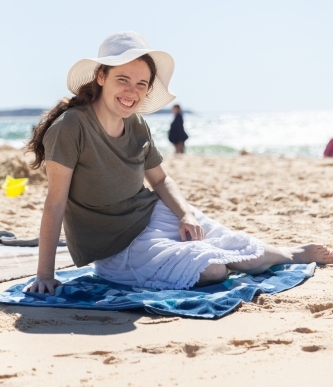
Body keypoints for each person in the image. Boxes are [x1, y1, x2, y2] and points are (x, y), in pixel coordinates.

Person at [26, 31, 333, 295]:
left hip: (154, 215)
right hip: (116, 247)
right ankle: (226, 256)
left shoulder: (136, 124)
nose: (132, 92)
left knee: (241, 251)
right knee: (213, 270)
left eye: (141, 83)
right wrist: (44, 274)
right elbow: (55, 203)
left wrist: (185, 214)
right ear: (101, 77)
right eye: (123, 79)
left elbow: (160, 180)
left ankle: (291, 253)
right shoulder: (70, 127)